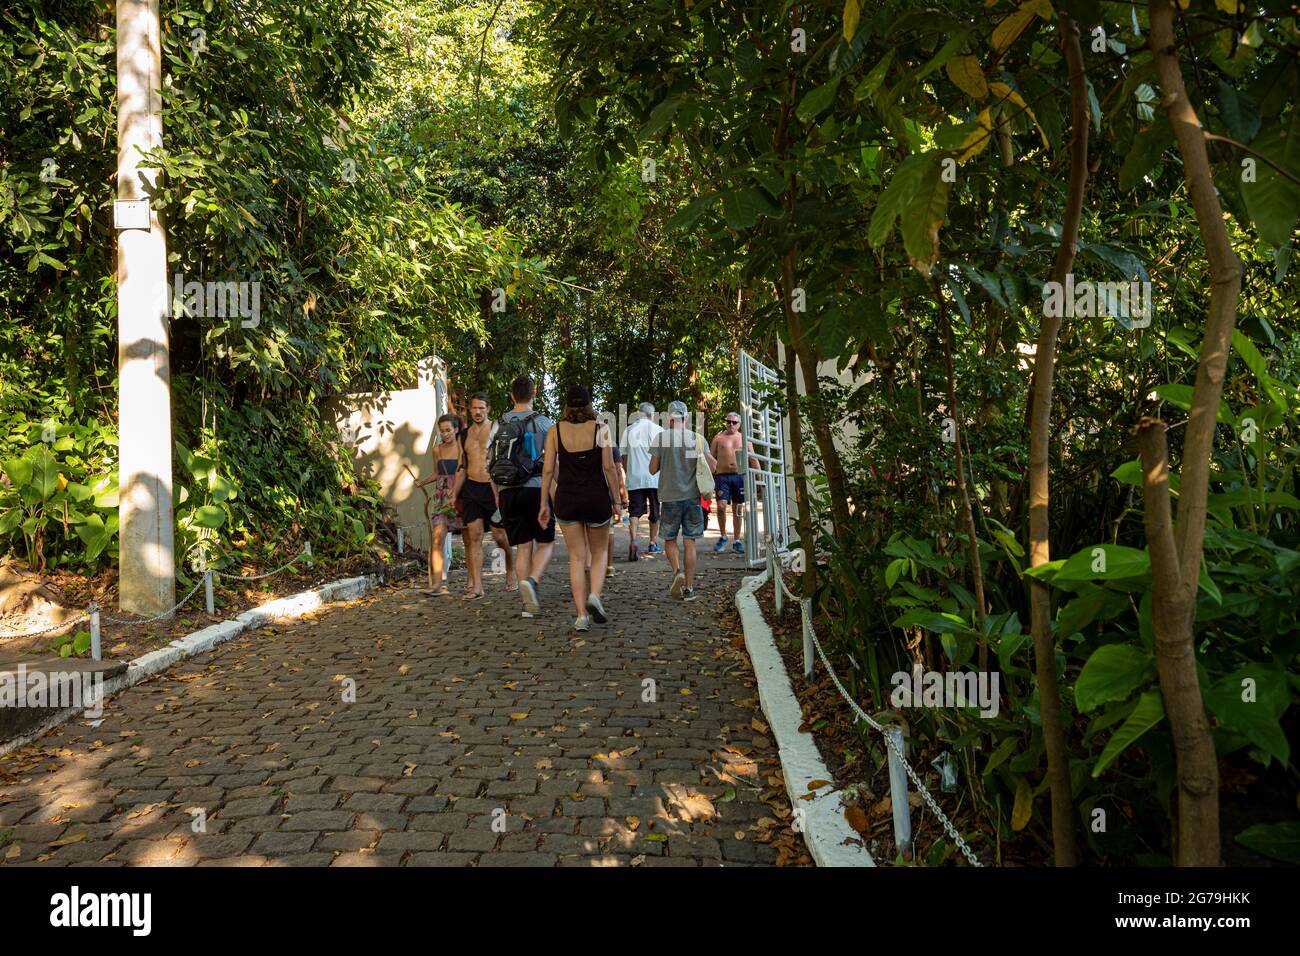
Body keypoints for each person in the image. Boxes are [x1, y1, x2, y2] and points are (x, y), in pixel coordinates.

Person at [538, 385, 622, 631]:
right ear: (588, 405)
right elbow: (609, 468)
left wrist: (543, 502)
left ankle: (581, 616)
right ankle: (595, 595)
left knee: (576, 557)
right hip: (596, 499)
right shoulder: (601, 428)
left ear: (566, 405)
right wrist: (617, 500)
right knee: (599, 553)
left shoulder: (555, 430)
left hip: (567, 499)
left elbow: (548, 470)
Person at [492, 375, 555, 617]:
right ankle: (533, 580)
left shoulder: (499, 423)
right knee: (546, 543)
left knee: (522, 548)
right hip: (535, 489)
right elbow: (552, 462)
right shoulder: (544, 423)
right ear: (535, 393)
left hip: (508, 492)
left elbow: (491, 463)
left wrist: (497, 494)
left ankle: (527, 605)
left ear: (511, 395)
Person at [649, 400, 716, 601]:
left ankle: (677, 570)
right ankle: (688, 587)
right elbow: (712, 467)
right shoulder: (697, 439)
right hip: (692, 498)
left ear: (669, 418)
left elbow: (652, 469)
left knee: (670, 540)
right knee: (690, 543)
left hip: (669, 497)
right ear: (686, 418)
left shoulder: (661, 438)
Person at [457, 392, 516, 600]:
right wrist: (452, 495)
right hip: (472, 490)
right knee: (474, 537)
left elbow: (507, 460)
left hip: (494, 490)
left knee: (500, 537)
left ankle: (510, 569)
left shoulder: (498, 429)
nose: (478, 411)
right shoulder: (463, 435)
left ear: (488, 409)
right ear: (470, 410)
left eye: (481, 408)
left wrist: (505, 489)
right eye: (474, 408)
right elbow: (461, 468)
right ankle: (477, 587)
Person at [413, 413, 463, 595]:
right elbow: (436, 473)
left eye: (448, 430)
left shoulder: (462, 449)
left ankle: (474, 584)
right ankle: (436, 585)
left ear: (456, 430)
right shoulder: (437, 450)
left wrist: (456, 491)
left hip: (459, 497)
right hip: (441, 498)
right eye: (442, 431)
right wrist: (423, 482)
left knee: (470, 540)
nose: (445, 434)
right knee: (437, 539)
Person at [710, 411, 761, 554]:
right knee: (721, 506)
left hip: (739, 477)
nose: (731, 424)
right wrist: (708, 475)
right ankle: (723, 536)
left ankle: (737, 540)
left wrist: (760, 480)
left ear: (739, 424)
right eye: (728, 421)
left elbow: (753, 459)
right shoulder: (719, 438)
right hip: (722, 477)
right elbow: (709, 457)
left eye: (734, 422)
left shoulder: (744, 439)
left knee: (738, 509)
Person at [620, 401, 663, 561]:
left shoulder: (629, 430)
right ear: (652, 415)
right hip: (654, 479)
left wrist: (628, 471)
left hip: (635, 477)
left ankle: (633, 540)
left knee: (634, 511)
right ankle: (652, 543)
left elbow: (623, 456)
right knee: (655, 512)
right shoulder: (659, 431)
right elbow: (662, 457)